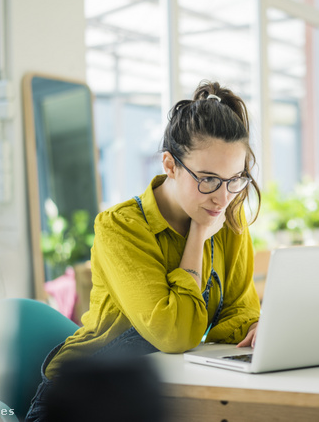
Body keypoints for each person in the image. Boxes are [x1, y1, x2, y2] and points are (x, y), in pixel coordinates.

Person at [25, 80, 262, 421]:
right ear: (170, 165)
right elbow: (175, 334)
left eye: (234, 179)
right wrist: (198, 236)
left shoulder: (227, 220)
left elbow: (238, 314)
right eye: (208, 179)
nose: (223, 197)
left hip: (164, 390)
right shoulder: (120, 227)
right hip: (82, 398)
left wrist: (253, 329)